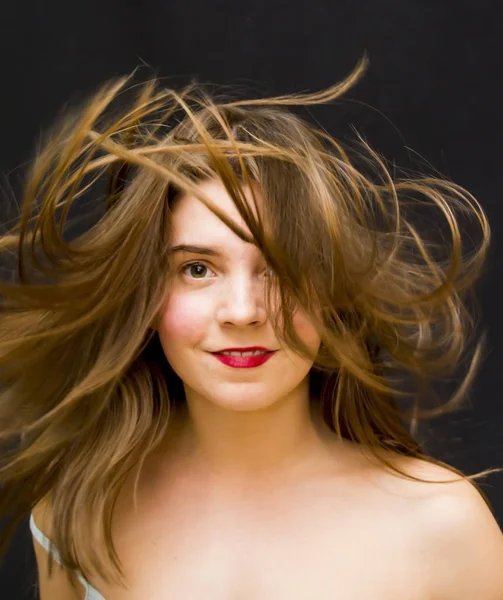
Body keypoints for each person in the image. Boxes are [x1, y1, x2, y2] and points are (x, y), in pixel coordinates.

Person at [0, 56, 502, 600]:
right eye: (197, 269)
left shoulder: (443, 527)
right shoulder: (76, 508)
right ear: (144, 294)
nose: (242, 311)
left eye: (283, 270)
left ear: (332, 295)